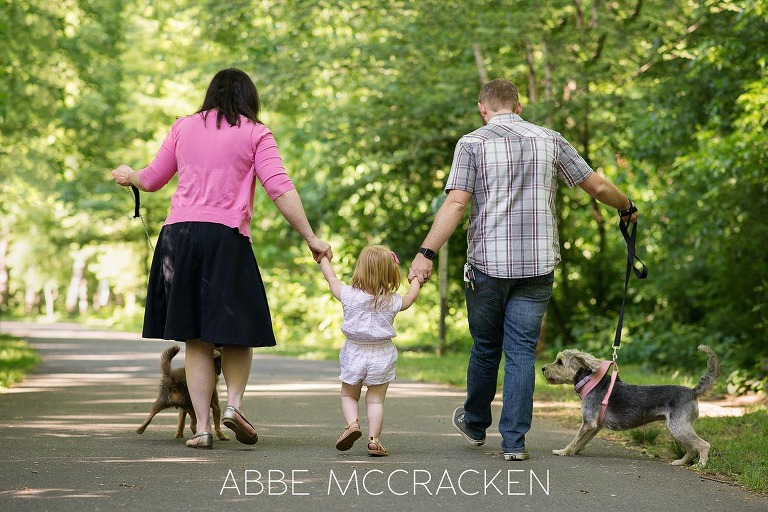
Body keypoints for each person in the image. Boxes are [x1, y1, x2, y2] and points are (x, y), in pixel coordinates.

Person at [408, 78, 639, 461]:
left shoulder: (472, 143)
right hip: (536, 268)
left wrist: (425, 254)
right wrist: (626, 206)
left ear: (483, 109)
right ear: (518, 107)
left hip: (487, 267)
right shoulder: (549, 139)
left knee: (486, 347)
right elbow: (596, 187)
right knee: (520, 353)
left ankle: (476, 423)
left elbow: (455, 204)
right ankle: (513, 444)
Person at [111, 68, 332, 449]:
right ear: (250, 98)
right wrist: (310, 237)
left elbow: (151, 179)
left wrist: (129, 174)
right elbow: (279, 188)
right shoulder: (256, 132)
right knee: (238, 331)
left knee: (196, 337)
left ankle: (202, 429)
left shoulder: (183, 126)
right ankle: (233, 406)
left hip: (178, 237)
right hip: (225, 237)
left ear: (210, 93)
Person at [319, 245, 421, 456]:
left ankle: (352, 424)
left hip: (354, 351)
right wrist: (417, 281)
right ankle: (374, 440)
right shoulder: (392, 300)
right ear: (391, 272)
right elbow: (410, 299)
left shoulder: (348, 294)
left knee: (348, 395)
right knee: (375, 400)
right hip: (382, 354)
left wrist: (323, 259)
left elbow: (332, 280)